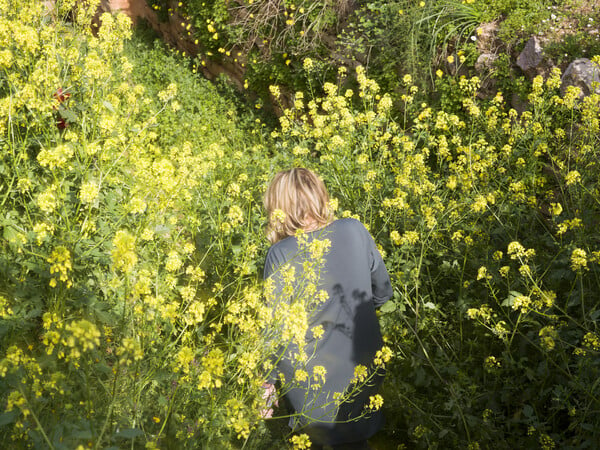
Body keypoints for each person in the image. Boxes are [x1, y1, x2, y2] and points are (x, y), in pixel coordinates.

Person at [262, 168, 393, 450]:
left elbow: (275, 331)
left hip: (310, 379)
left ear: (278, 209)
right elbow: (383, 293)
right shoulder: (354, 229)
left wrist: (265, 383)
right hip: (364, 366)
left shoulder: (281, 253)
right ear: (321, 196)